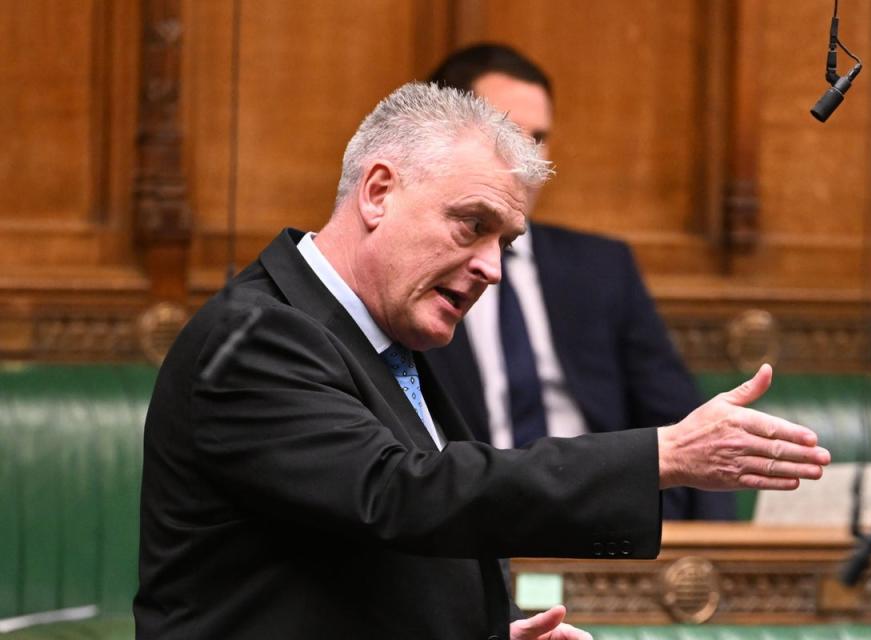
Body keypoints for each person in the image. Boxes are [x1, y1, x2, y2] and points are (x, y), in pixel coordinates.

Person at [134, 82, 829, 640]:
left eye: (507, 242)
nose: (493, 268)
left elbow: (365, 562)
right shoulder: (256, 336)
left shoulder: (389, 340)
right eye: (472, 226)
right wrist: (659, 456)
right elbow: (400, 496)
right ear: (378, 192)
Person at [425, 43, 735, 520]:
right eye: (507, 134)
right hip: (473, 521)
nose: (528, 160)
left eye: (539, 137)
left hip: (605, 524)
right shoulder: (415, 271)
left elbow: (680, 420)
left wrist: (718, 556)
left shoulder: (602, 269)